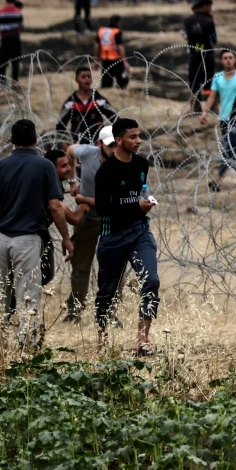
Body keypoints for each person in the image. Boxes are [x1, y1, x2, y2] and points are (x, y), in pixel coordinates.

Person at [0, 119, 71, 348]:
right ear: (35, 140)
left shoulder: (0, 166)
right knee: (28, 294)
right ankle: (27, 346)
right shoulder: (44, 166)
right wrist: (66, 238)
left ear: (11, 140)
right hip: (28, 239)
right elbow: (55, 206)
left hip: (1, 237)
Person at [91, 117, 160, 355]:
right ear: (119, 140)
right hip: (114, 236)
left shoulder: (141, 163)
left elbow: (140, 192)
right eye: (132, 137)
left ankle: (143, 339)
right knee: (107, 291)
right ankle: (102, 340)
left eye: (139, 136)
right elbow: (102, 209)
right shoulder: (106, 171)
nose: (138, 140)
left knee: (151, 280)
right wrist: (136, 207)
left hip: (140, 231)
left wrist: (145, 204)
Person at [62, 124, 115, 322]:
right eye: (109, 145)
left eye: (115, 145)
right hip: (89, 217)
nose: (113, 150)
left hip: (111, 217)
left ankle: (109, 313)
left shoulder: (121, 162)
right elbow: (69, 150)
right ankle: (74, 311)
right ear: (99, 144)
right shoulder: (88, 153)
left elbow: (111, 202)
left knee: (111, 266)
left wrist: (82, 199)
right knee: (81, 265)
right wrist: (72, 181)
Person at [202, 49, 236, 191]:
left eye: (230, 57)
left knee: (230, 149)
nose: (228, 60)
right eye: (225, 58)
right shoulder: (218, 77)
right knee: (235, 150)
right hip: (224, 118)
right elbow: (212, 96)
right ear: (222, 61)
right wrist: (204, 112)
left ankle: (217, 180)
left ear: (234, 60)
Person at [56, 67, 118, 143]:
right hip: (78, 144)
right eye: (83, 77)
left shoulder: (99, 100)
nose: (87, 79)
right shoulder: (70, 103)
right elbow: (60, 127)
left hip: (98, 143)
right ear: (76, 80)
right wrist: (67, 149)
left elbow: (115, 119)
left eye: (89, 76)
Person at [0, 0, 24, 84]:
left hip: (5, 37)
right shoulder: (17, 12)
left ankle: (2, 80)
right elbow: (21, 26)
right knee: (15, 59)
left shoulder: (0, 11)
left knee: (3, 59)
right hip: (15, 37)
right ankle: (15, 81)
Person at [95, 15, 131, 89]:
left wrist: (96, 59)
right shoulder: (116, 32)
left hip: (105, 60)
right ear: (117, 22)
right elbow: (120, 46)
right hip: (117, 60)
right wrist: (125, 61)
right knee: (122, 82)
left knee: (106, 83)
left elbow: (97, 46)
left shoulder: (101, 31)